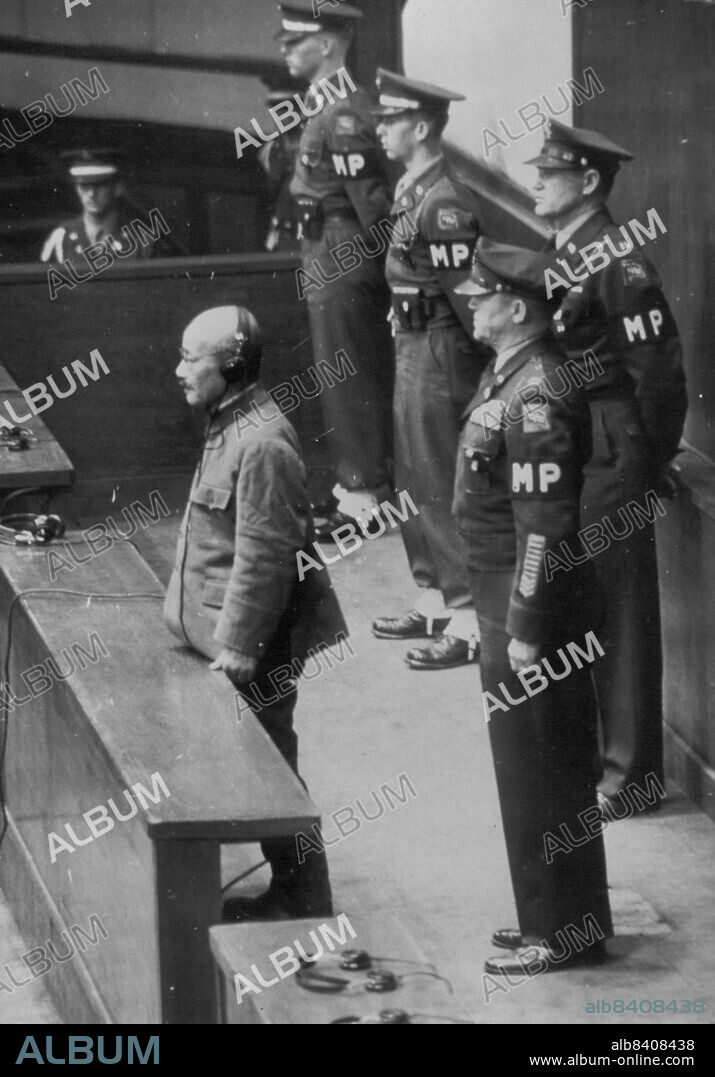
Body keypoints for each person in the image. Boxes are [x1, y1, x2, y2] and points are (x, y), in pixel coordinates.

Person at [453, 239, 612, 974]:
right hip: (503, 597)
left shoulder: (538, 393)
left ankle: (563, 930)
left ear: (516, 309)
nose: (471, 306)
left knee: (544, 769)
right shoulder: (511, 372)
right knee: (525, 768)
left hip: (529, 607)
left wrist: (523, 625)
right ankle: (549, 917)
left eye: (482, 297)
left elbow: (544, 526)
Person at [164, 305, 346, 920]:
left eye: (191, 358)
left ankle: (305, 897)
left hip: (255, 644)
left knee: (271, 770)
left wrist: (241, 645)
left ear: (233, 365)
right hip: (221, 635)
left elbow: (267, 554)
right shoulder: (230, 421)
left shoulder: (262, 439)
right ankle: (295, 890)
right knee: (259, 765)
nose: (180, 370)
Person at [526, 120, 687, 813]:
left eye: (549, 174)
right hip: (572, 440)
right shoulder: (563, 250)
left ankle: (632, 777)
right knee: (579, 601)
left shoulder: (618, 262)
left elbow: (660, 377)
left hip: (610, 445)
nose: (536, 183)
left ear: (588, 182)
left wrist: (647, 462)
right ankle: (598, 759)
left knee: (619, 614)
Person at [370, 70, 488, 671]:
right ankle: (436, 594)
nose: (380, 128)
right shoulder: (413, 191)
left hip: (441, 353)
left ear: (420, 128)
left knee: (440, 477)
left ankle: (468, 619)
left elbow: (469, 302)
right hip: (413, 345)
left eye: (390, 119)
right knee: (414, 476)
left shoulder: (442, 204)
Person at [275, 2, 395, 537]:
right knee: (339, 369)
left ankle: (366, 492)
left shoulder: (343, 114)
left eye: (294, 41)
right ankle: (355, 483)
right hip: (324, 248)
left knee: (350, 371)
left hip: (343, 253)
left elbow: (373, 209)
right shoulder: (323, 105)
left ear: (325, 45)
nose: (285, 50)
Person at [40, 148, 183, 271]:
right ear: (77, 189)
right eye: (84, 186)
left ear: (117, 188)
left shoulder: (143, 242)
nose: (91, 194)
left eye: (100, 185)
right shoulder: (61, 240)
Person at [258, 83, 303, 253]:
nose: (280, 117)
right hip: (284, 233)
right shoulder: (271, 150)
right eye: (276, 111)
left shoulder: (315, 144)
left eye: (286, 110)